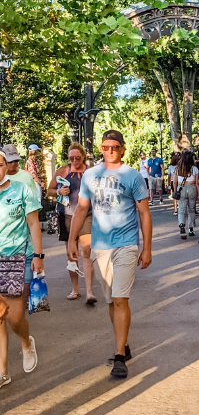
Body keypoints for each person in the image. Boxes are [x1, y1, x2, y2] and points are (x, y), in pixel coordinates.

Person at [67, 129, 152, 380]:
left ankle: (119, 357)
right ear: (101, 149)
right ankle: (122, 343)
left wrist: (147, 247)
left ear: (123, 149)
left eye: (115, 146)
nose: (110, 151)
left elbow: (144, 214)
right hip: (100, 246)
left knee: (120, 299)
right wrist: (72, 240)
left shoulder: (133, 176)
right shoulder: (91, 175)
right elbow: (82, 210)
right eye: (106, 147)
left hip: (126, 245)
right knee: (110, 301)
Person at [0, 150, 44, 390]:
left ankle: (26, 342)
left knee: (14, 316)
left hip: (19, 256)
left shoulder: (21, 190)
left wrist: (38, 255)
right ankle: (2, 372)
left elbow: (34, 223)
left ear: (6, 166)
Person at [47, 141, 96, 304]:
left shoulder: (90, 171)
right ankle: (75, 289)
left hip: (86, 215)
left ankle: (89, 292)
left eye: (77, 157)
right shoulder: (63, 171)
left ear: (83, 156)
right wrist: (59, 191)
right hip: (66, 215)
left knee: (87, 251)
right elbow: (50, 190)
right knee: (71, 254)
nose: (75, 160)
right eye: (71, 158)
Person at [176, 151, 199, 240]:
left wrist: (175, 190)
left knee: (181, 209)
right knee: (191, 209)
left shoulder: (178, 168)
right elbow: (197, 183)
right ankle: (191, 228)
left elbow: (175, 181)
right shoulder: (194, 169)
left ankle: (182, 225)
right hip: (191, 187)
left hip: (181, 188)